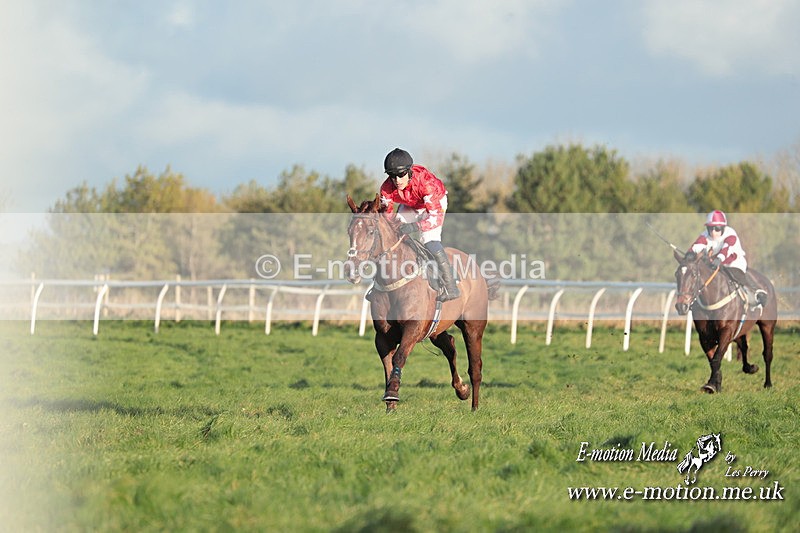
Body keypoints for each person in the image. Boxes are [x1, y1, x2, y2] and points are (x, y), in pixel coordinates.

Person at [379, 148, 460, 302]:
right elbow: (387, 217)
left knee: (429, 241)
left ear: (409, 172)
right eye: (392, 176)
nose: (396, 180)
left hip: (434, 205)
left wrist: (415, 227)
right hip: (411, 204)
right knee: (394, 234)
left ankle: (451, 286)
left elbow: (434, 218)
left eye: (401, 175)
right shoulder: (386, 188)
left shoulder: (426, 184)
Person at [689, 209, 767, 306]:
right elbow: (696, 246)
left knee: (734, 273)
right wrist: (689, 254)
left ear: (723, 228)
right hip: (717, 264)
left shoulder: (730, 233)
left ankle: (756, 292)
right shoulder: (705, 235)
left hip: (734, 261)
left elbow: (726, 248)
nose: (713, 232)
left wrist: (719, 259)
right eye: (710, 228)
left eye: (717, 228)